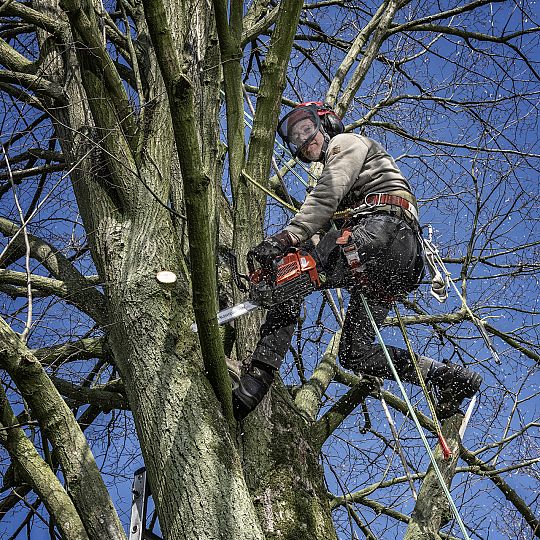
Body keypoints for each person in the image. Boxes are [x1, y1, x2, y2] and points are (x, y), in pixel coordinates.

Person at [231, 101, 482, 421]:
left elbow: (326, 195)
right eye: (297, 140)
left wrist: (284, 240)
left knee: (291, 277)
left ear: (327, 123)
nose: (306, 143)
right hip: (385, 270)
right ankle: (446, 377)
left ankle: (257, 378)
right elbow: (323, 233)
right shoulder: (351, 183)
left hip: (381, 233)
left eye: (307, 131)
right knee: (355, 352)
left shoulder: (347, 143)